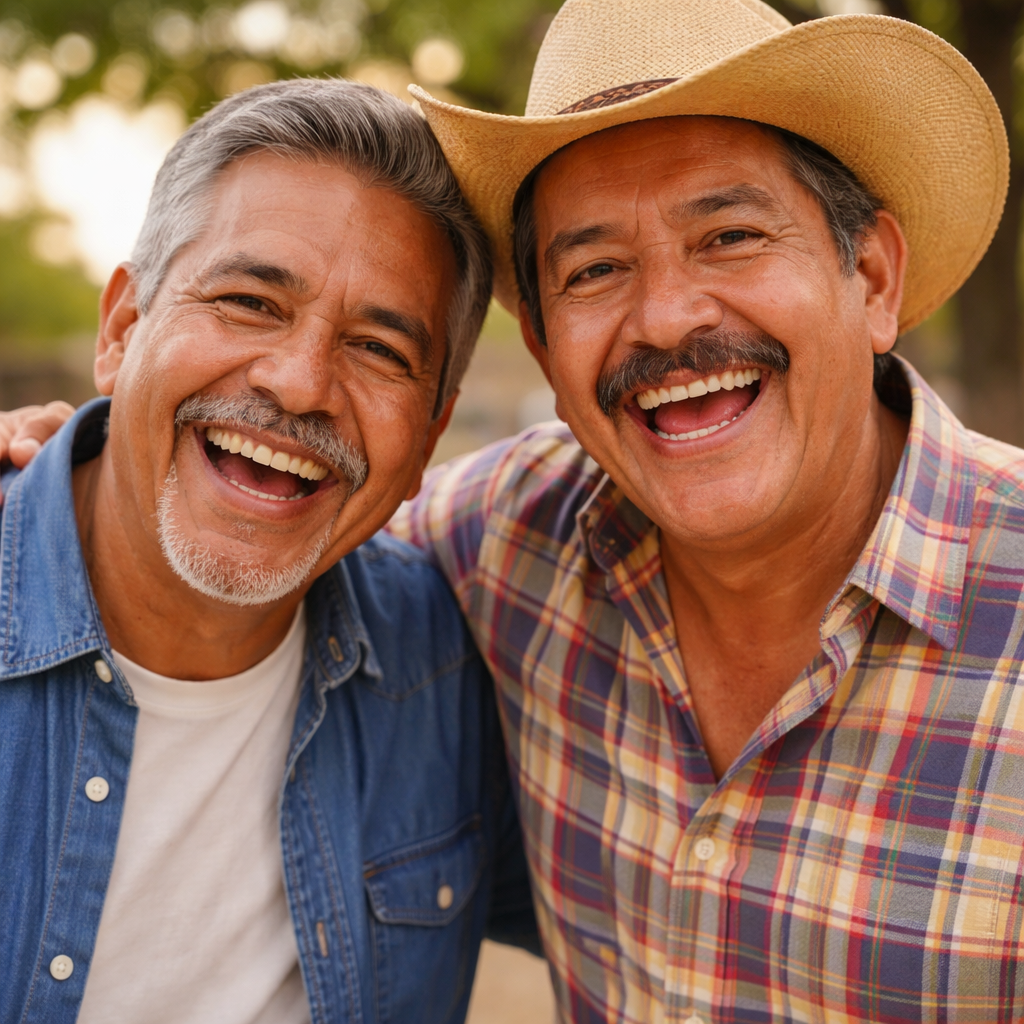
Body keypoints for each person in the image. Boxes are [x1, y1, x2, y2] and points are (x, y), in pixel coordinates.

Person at [12, 2, 1024, 1022]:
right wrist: (66, 475)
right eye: (593, 270)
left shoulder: (452, 605)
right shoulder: (498, 550)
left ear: (872, 277)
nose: (667, 315)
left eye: (730, 235)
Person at [0, 78, 537, 1024]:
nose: (298, 384)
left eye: (380, 350)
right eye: (249, 301)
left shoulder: (452, 664)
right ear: (123, 330)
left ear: (428, 436)